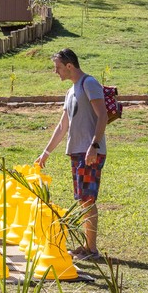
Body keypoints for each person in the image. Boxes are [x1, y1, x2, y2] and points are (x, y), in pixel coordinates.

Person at [36, 48, 107, 261]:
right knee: (82, 200)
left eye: (58, 67)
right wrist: (46, 152)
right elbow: (62, 125)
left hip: (90, 152)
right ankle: (86, 246)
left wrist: (94, 146)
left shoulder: (89, 84)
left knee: (87, 199)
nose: (55, 72)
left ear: (69, 66)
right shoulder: (70, 91)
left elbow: (102, 114)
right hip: (76, 152)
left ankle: (92, 250)